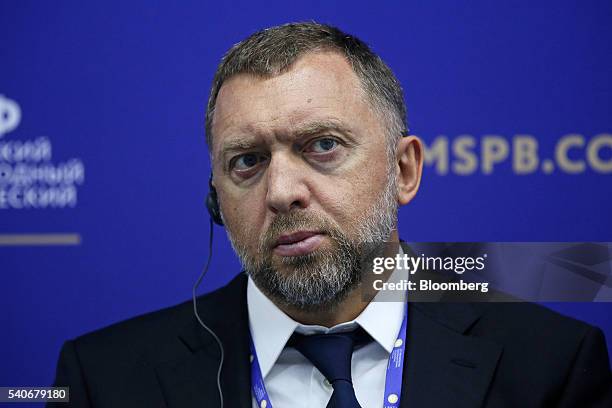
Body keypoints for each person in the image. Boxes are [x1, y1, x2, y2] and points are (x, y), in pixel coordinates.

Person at [50, 22, 611, 408]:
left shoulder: (550, 364)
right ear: (215, 196)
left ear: (405, 170)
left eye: (322, 146)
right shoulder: (104, 379)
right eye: (247, 160)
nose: (283, 192)